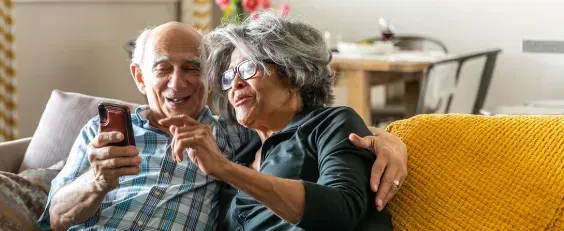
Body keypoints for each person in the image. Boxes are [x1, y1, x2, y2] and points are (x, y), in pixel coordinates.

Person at [38, 20, 407, 231]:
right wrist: (97, 181)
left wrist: (391, 139)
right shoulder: (99, 133)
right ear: (139, 76)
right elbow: (53, 217)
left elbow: (315, 139)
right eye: (163, 68)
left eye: (193, 68)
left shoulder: (226, 141)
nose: (177, 83)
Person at [160, 12, 397, 230]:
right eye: (230, 76)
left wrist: (226, 170)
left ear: (292, 74)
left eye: (248, 68)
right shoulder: (241, 148)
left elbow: (341, 212)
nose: (235, 84)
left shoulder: (331, 124)